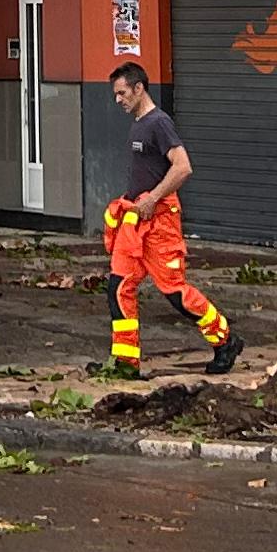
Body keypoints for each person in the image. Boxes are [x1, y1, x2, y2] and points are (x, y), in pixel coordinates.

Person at [97, 60, 237, 379]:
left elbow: (183, 167)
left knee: (175, 292)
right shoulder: (139, 123)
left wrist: (153, 197)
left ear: (139, 88)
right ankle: (125, 362)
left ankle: (225, 339)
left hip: (158, 222)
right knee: (119, 288)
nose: (117, 100)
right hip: (136, 221)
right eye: (115, 94)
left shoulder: (159, 123)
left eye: (122, 93)